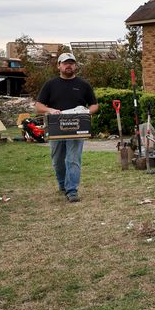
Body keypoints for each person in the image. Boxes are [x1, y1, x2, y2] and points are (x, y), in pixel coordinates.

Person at [35, 52, 99, 202]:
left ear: (75, 66)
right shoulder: (50, 84)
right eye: (65, 63)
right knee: (57, 160)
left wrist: (87, 113)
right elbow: (38, 106)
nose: (68, 65)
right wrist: (50, 110)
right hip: (56, 129)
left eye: (71, 63)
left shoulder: (83, 85)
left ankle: (72, 190)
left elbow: (94, 105)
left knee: (73, 159)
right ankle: (63, 185)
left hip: (77, 128)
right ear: (59, 66)